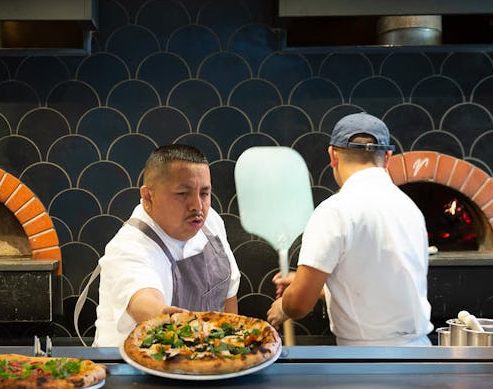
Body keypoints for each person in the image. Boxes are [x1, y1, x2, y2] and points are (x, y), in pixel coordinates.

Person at [266, 112, 433, 346]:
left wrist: (283, 307)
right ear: (387, 157)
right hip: (420, 354)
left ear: (332, 155)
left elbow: (300, 305)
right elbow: (380, 282)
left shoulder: (334, 210)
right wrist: (316, 283)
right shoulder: (410, 208)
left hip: (367, 362)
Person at [86, 144, 241, 348]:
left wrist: (231, 349)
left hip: (202, 362)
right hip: (131, 370)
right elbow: (142, 299)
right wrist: (161, 314)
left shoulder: (210, 223)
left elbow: (228, 296)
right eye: (183, 193)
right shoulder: (128, 246)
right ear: (148, 197)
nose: (197, 206)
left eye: (204, 193)